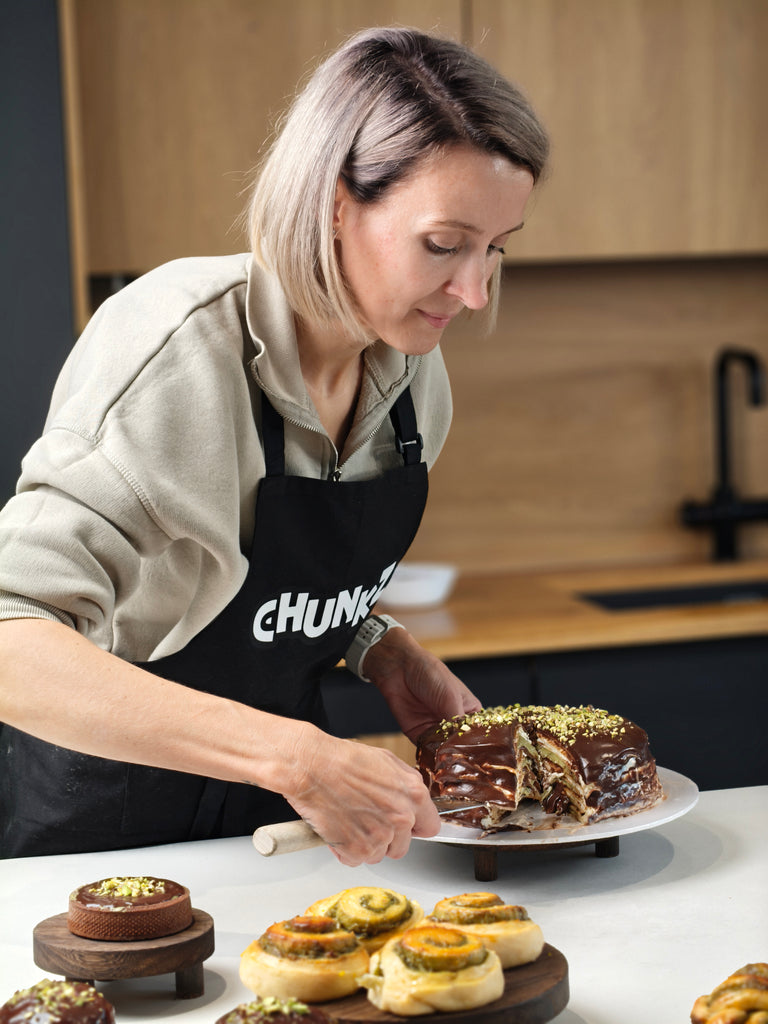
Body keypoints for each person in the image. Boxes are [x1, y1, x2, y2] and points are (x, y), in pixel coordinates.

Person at [0, 26, 548, 863]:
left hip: (277, 829)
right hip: (104, 833)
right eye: (443, 245)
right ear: (334, 202)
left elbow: (243, 578)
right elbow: (12, 637)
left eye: (494, 251)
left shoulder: (409, 374)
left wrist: (378, 647)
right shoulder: (174, 355)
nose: (473, 292)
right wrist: (288, 754)